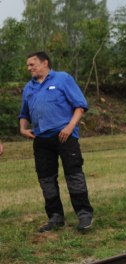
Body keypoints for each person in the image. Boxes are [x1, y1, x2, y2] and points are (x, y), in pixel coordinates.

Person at [18, 51, 94, 232]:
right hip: (41, 140)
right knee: (46, 179)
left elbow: (80, 105)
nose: (29, 68)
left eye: (32, 64)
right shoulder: (29, 88)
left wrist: (70, 127)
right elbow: (24, 113)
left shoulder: (62, 79)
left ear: (45, 63)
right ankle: (55, 217)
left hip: (65, 136)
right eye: (28, 65)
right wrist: (22, 129)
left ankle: (84, 215)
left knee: (73, 174)